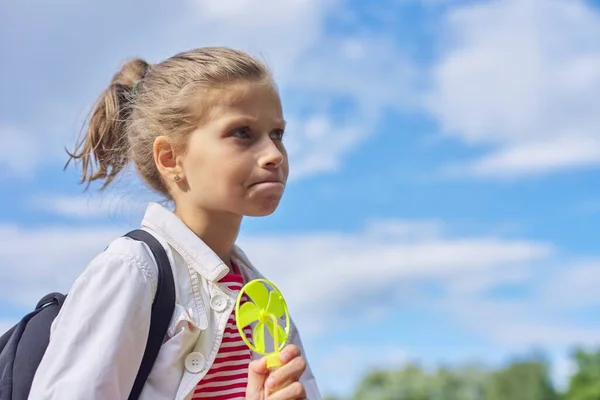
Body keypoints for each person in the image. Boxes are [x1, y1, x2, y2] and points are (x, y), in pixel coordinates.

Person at [28, 47, 321, 400]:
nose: (274, 155)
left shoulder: (261, 296)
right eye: (242, 132)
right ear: (170, 159)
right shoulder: (132, 270)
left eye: (277, 134)